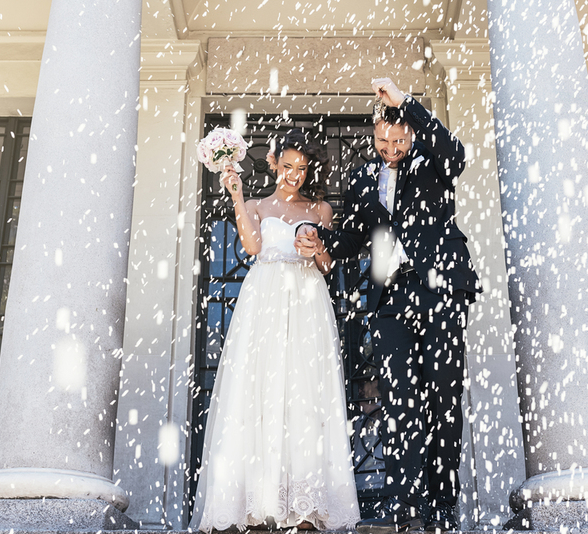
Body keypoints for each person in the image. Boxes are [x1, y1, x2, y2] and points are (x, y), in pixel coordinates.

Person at [295, 78, 481, 533]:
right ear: (373, 134)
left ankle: (441, 508)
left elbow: (458, 154)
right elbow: (354, 236)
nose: (390, 148)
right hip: (390, 300)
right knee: (399, 400)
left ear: (411, 134)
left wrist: (406, 103)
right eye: (382, 140)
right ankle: (404, 508)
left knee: (443, 399)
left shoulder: (434, 163)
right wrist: (318, 240)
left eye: (399, 140)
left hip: (441, 290)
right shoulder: (364, 177)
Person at [189, 129, 361, 532]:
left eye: (302, 169)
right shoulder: (257, 205)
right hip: (265, 299)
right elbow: (251, 247)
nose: (294, 175)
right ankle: (261, 501)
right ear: (273, 163)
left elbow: (328, 267)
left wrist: (316, 248)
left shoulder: (320, 210)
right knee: (261, 392)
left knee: (304, 395)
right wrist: (235, 195)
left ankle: (303, 505)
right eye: (287, 166)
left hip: (306, 302)